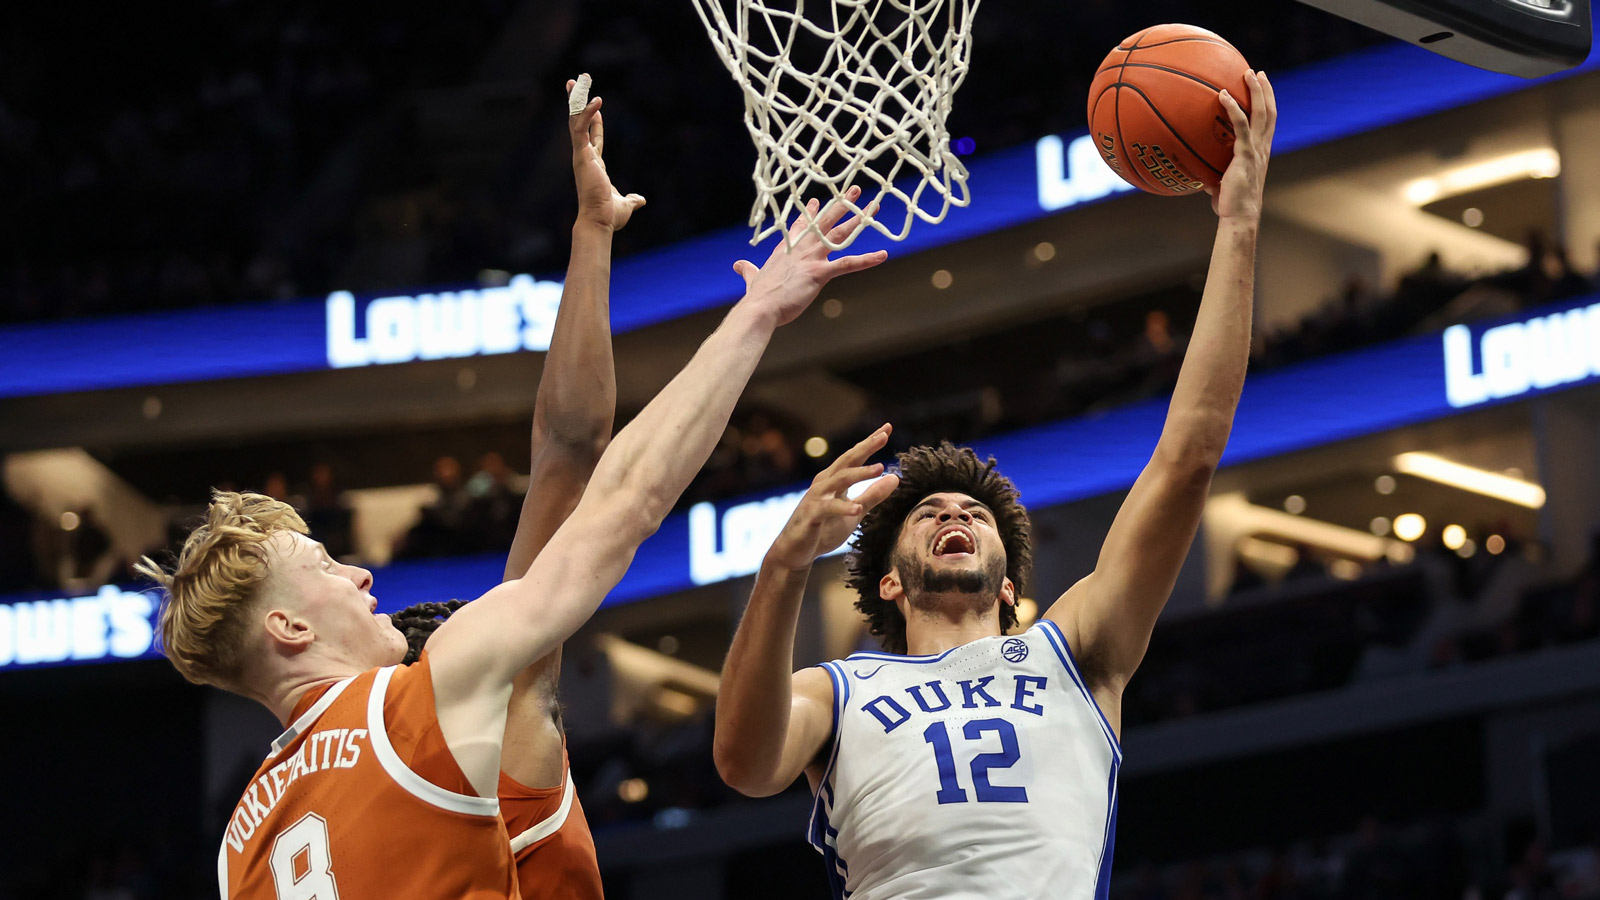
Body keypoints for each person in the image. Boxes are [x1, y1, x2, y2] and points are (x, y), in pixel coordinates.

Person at [136, 74, 888, 900]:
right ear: (284, 625)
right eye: (323, 567)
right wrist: (755, 314)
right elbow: (614, 497)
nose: (360, 575)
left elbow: (569, 455)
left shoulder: (240, 845)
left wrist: (592, 234)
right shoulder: (431, 702)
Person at [712, 72, 1276, 900]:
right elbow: (745, 763)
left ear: (1012, 581)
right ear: (890, 579)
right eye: (930, 513)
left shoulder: (1075, 649)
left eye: (973, 514)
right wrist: (784, 564)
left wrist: (1239, 225)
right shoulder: (838, 689)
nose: (952, 514)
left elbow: (1188, 454)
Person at [389, 76, 637, 900]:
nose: (358, 575)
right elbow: (570, 449)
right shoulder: (498, 728)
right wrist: (591, 233)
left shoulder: (305, 806)